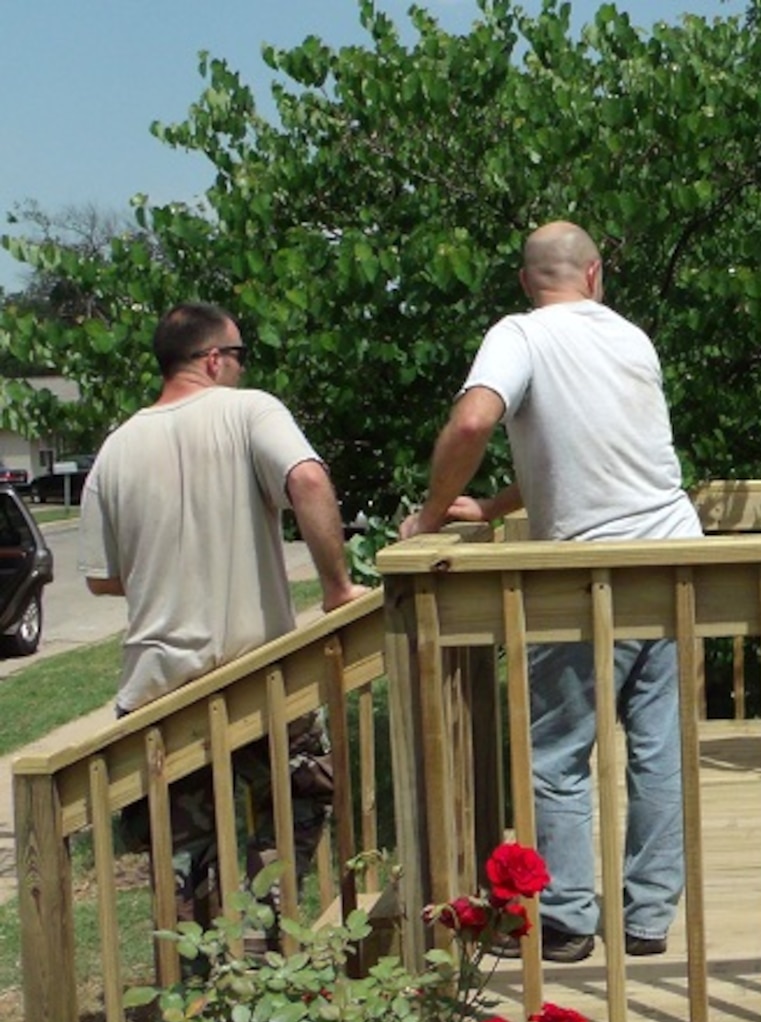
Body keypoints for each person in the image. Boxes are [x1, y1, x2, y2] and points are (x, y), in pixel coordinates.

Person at [401, 221, 702, 964]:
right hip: (676, 557)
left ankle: (567, 918)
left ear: (524, 282)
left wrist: (434, 513)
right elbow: (597, 454)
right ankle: (646, 919)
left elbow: (475, 419)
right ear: (595, 275)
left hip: (589, 572)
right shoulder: (631, 338)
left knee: (557, 751)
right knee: (659, 748)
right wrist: (500, 507)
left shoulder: (521, 333)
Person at [80, 301, 365, 917]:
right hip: (259, 676)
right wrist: (338, 586)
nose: (239, 369)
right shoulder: (250, 410)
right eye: (238, 357)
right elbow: (309, 480)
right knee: (309, 791)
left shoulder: (114, 451)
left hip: (159, 692)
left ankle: (204, 985)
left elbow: (103, 581)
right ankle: (260, 925)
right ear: (213, 359)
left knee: (182, 855)